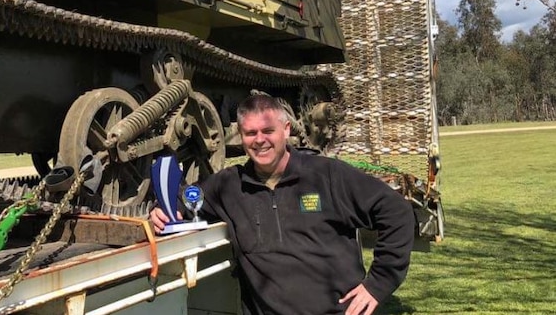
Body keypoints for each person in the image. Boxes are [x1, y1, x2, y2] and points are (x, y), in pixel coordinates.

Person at [150, 94, 415, 315]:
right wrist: (167, 210)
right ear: (240, 137)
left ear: (286, 129)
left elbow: (396, 211)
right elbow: (186, 199)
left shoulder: (327, 175)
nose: (260, 140)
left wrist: (378, 283)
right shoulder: (229, 186)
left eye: (268, 131)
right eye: (250, 133)